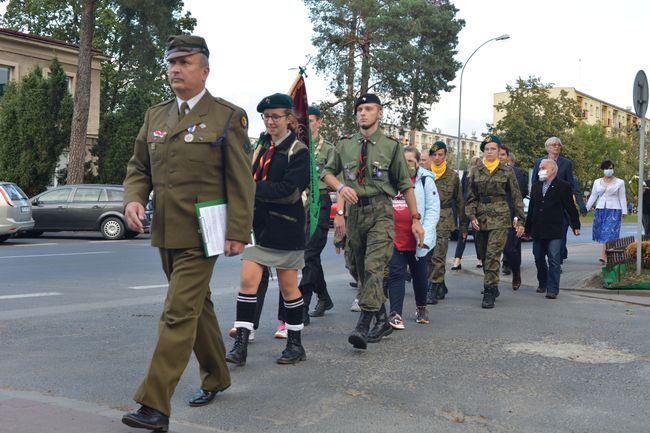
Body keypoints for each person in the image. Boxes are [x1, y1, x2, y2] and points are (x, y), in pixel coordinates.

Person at [121, 35, 254, 432]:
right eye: (171, 62)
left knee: (177, 313)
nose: (175, 69)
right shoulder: (155, 115)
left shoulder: (227, 116)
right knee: (199, 307)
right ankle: (217, 375)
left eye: (185, 62)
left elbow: (240, 180)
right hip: (165, 229)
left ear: (205, 70)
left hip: (204, 232)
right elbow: (139, 167)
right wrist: (133, 198)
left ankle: (155, 406)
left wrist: (237, 231)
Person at [321, 93, 424, 350]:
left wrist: (415, 219)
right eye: (360, 110)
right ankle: (382, 318)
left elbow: (404, 185)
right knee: (355, 267)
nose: (363, 113)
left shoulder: (391, 146)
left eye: (369, 109)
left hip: (380, 211)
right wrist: (341, 188)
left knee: (373, 268)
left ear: (379, 113)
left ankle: (363, 325)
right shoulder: (345, 144)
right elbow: (325, 172)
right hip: (355, 213)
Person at [225, 93, 310, 367]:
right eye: (266, 116)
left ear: (289, 119)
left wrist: (251, 189)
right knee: (248, 283)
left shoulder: (299, 151)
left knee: (288, 289)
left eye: (276, 116)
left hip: (286, 229)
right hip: (258, 228)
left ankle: (295, 345)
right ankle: (241, 345)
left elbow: (289, 192)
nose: (270, 121)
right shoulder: (260, 150)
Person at [466, 135, 524, 309]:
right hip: (481, 218)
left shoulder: (507, 171)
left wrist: (520, 220)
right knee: (483, 255)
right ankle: (493, 283)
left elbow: (516, 197)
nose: (490, 152)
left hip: (500, 217)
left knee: (493, 255)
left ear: (499, 152)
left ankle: (489, 290)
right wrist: (471, 216)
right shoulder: (477, 171)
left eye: (493, 149)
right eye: (487, 149)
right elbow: (470, 198)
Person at [386, 146, 440, 328]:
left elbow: (433, 209)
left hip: (417, 238)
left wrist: (425, 230)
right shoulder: (391, 178)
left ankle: (421, 307)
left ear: (418, 163)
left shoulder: (425, 180)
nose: (407, 164)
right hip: (395, 236)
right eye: (404, 160)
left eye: (411, 161)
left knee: (419, 275)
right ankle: (395, 314)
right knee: (396, 274)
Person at [525, 159, 580, 299]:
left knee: (554, 258)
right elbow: (531, 208)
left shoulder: (563, 186)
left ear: (552, 170)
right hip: (538, 229)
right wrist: (527, 229)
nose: (540, 170)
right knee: (538, 257)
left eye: (543, 168)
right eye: (540, 168)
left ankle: (552, 288)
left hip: (554, 229)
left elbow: (570, 207)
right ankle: (542, 282)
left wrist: (576, 225)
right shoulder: (536, 186)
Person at [302, 105, 336, 319]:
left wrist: (340, 213)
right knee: (310, 257)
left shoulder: (329, 149)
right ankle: (323, 295)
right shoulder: (297, 146)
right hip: (299, 203)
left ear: (319, 122)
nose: (308, 124)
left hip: (320, 202)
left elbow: (339, 179)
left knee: (309, 254)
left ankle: (301, 306)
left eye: (312, 120)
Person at [531, 136, 587, 264]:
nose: (557, 147)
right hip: (543, 207)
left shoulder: (566, 163)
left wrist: (579, 205)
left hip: (559, 207)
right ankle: (547, 260)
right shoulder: (539, 162)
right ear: (547, 148)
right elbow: (534, 182)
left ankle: (557, 261)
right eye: (554, 145)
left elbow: (571, 185)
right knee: (541, 240)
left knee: (560, 236)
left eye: (558, 145)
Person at [427, 141, 467, 302]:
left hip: (444, 218)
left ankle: (433, 288)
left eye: (440, 155)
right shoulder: (424, 173)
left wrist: (463, 225)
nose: (437, 158)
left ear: (445, 156)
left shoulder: (452, 176)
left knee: (438, 255)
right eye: (434, 155)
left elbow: (459, 201)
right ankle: (440, 284)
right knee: (428, 256)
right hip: (426, 218)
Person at [585, 160, 627, 263]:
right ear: (602, 170)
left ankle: (603, 255)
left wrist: (624, 211)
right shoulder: (597, 182)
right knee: (603, 233)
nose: (609, 170)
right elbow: (593, 196)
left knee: (610, 233)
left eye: (611, 168)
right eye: (606, 168)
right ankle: (610, 254)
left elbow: (622, 197)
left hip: (614, 210)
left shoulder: (620, 182)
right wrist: (585, 209)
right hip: (600, 210)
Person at [498, 146, 527, 290]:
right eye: (498, 154)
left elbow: (519, 196)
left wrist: (519, 218)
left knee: (510, 248)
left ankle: (516, 271)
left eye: (503, 155)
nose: (500, 157)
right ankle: (490, 286)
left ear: (508, 157)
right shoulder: (483, 171)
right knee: (488, 252)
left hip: (509, 215)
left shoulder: (515, 173)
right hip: (489, 218)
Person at [452, 156, 482, 270]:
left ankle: (457, 260)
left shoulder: (466, 174)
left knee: (463, 233)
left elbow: (461, 190)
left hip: (465, 206)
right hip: (476, 207)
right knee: (477, 234)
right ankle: (480, 260)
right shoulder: (481, 175)